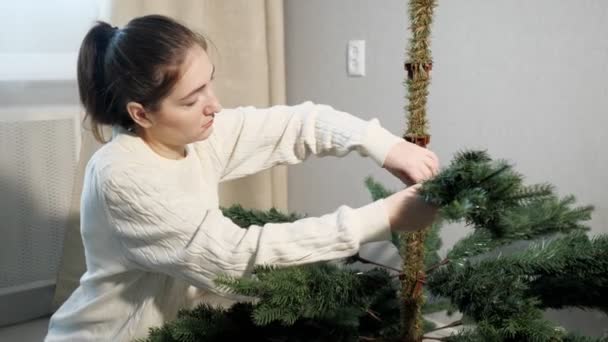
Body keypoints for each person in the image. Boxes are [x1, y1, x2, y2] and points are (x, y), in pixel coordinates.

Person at [45, 14, 440, 341]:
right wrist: (383, 218)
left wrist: (384, 145)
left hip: (182, 328)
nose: (214, 105)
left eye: (209, 83)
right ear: (141, 114)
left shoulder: (193, 137)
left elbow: (298, 125)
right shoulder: (122, 177)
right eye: (192, 98)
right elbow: (235, 259)